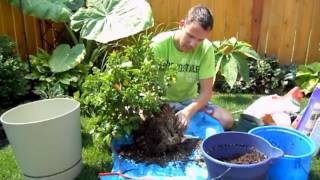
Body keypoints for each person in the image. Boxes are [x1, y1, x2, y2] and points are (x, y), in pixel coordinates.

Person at [151, 5, 234, 130]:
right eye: (190, 36)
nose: (193, 44)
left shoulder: (206, 48)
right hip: (161, 102)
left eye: (200, 39)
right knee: (149, 125)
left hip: (189, 101)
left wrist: (187, 112)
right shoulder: (159, 45)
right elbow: (145, 87)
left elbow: (206, 92)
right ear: (182, 24)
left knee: (226, 120)